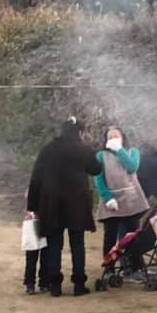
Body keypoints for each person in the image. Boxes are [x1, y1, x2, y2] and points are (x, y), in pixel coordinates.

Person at [27, 118, 102, 297]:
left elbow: (36, 178)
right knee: (77, 243)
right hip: (77, 203)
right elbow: (96, 169)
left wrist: (32, 206)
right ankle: (79, 285)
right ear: (80, 132)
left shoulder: (47, 150)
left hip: (52, 203)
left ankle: (55, 286)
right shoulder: (83, 149)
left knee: (55, 244)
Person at [94, 126, 150, 272]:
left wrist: (119, 150)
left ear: (123, 137)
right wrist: (108, 198)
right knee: (110, 238)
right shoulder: (100, 156)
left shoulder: (133, 152)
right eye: (110, 137)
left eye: (116, 136)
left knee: (132, 236)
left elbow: (132, 167)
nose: (113, 139)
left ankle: (135, 268)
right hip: (111, 202)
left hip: (131, 201)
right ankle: (109, 270)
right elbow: (99, 179)